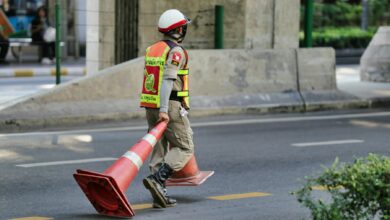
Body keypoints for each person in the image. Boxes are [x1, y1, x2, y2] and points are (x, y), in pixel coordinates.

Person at [140, 9, 193, 209]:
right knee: (185, 147)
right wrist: (164, 109)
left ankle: (158, 195)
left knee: (159, 149)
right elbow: (168, 80)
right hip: (168, 105)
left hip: (149, 105)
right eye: (184, 26)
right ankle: (158, 179)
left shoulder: (153, 48)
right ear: (179, 29)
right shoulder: (176, 51)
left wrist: (157, 108)